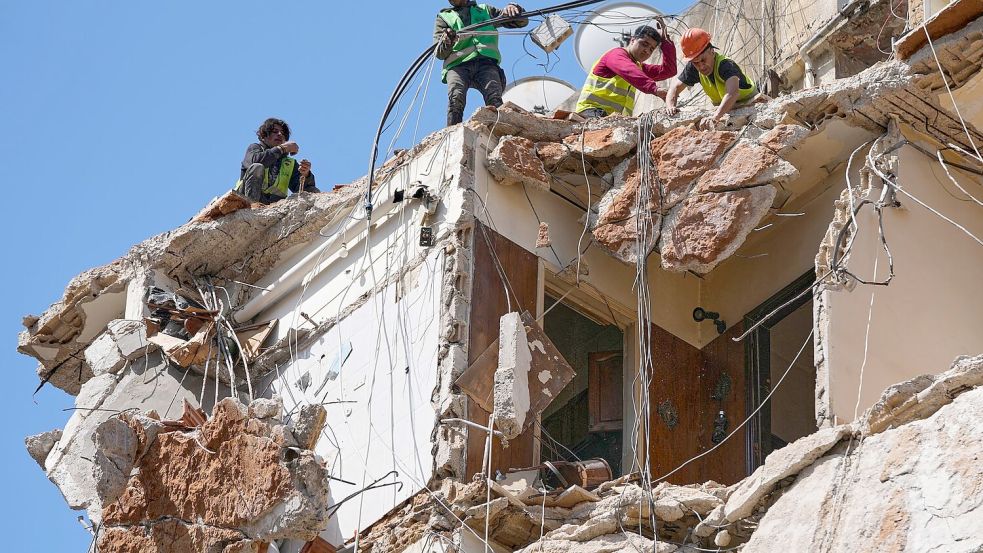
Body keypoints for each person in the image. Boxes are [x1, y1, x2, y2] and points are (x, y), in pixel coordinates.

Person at [434, 1, 528, 126]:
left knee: (494, 97)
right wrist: (447, 41)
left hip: (486, 62)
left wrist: (515, 9)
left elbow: (520, 21)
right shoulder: (444, 17)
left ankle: (501, 128)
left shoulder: (484, 10)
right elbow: (439, 53)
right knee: (455, 99)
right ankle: (451, 133)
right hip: (457, 65)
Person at [664, 28, 764, 130]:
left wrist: (715, 117)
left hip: (750, 105)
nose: (701, 66)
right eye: (696, 62)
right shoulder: (693, 67)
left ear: (712, 51)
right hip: (726, 111)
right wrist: (670, 106)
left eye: (703, 60)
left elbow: (732, 93)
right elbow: (674, 88)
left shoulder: (726, 65)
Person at [574, 21, 677, 119]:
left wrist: (665, 41)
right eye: (644, 44)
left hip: (613, 118)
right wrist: (655, 89)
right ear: (632, 40)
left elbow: (669, 70)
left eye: (651, 49)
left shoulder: (638, 67)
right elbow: (629, 70)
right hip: (592, 112)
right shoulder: (616, 55)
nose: (646, 51)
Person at [235, 118, 319, 205]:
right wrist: (282, 148)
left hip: (272, 204)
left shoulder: (289, 163)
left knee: (312, 191)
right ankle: (252, 206)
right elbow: (255, 162)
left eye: (283, 133)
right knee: (257, 167)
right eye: (275, 132)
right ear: (264, 136)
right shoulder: (255, 148)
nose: (280, 134)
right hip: (245, 199)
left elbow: (304, 189)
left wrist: (306, 174)